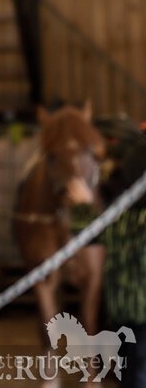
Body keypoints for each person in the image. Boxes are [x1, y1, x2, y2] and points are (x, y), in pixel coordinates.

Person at [99, 122, 146, 386]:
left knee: (136, 375)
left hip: (138, 316)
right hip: (124, 315)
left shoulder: (129, 222)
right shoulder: (122, 219)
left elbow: (90, 235)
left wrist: (83, 206)